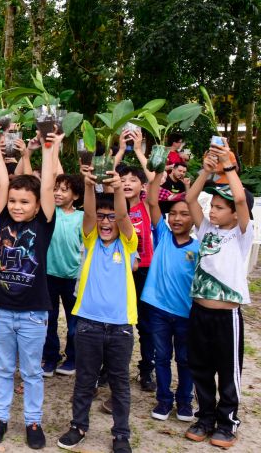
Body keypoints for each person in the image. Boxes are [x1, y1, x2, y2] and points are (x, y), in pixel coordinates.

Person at [0, 129, 60, 450]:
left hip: (32, 314)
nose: (16, 206)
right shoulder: (2, 220)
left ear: (36, 206)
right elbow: (2, 181)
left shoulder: (43, 223)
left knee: (31, 372)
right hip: (1, 309)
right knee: (2, 367)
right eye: (13, 201)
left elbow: (46, 185)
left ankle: (32, 421)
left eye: (24, 202)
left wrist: (48, 148)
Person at [56, 168, 137, 453]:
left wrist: (117, 189)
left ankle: (121, 434)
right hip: (88, 323)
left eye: (110, 217)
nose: (106, 221)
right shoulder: (90, 240)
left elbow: (124, 217)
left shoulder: (128, 243)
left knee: (119, 383)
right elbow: (88, 216)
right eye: (102, 217)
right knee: (85, 380)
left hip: (121, 326)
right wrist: (89, 186)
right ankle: (78, 426)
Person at [183, 142, 254, 448]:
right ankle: (205, 417)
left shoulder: (241, 234)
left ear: (236, 213)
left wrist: (227, 167)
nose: (212, 211)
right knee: (199, 366)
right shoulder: (204, 230)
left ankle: (228, 422)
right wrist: (206, 171)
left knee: (228, 370)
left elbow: (239, 198)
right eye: (211, 205)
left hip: (227, 316)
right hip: (199, 311)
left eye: (219, 207)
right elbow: (189, 198)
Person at [143, 168, 199, 421]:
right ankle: (164, 400)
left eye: (184, 214)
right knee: (162, 357)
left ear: (194, 218)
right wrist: (156, 173)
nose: (177, 218)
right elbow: (152, 201)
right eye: (173, 213)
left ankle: (185, 401)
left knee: (186, 359)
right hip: (158, 311)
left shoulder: (200, 247)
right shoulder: (163, 235)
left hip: (187, 313)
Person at [118, 164, 156, 391]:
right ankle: (107, 369)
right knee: (115, 323)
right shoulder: (113, 208)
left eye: (132, 180)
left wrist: (142, 153)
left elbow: (154, 179)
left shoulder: (146, 207)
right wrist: (120, 149)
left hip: (143, 270)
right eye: (123, 179)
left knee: (145, 324)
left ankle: (146, 370)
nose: (126, 183)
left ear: (141, 186)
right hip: (118, 271)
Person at [42, 174, 84, 378]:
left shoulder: (81, 217)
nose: (58, 192)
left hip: (73, 278)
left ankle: (73, 357)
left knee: (74, 322)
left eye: (64, 189)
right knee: (48, 319)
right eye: (56, 188)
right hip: (48, 276)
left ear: (75, 195)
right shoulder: (49, 213)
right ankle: (50, 357)